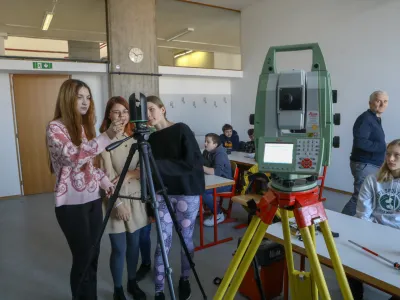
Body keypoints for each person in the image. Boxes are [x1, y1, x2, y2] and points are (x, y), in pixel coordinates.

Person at [46, 79, 123, 299]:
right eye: (80, 96)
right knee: (82, 258)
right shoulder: (55, 128)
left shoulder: (81, 128)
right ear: (67, 97)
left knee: (94, 255)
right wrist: (106, 136)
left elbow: (90, 166)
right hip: (70, 205)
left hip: (92, 201)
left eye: (88, 97)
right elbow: (74, 157)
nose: (85, 102)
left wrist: (108, 185)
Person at [146, 95, 205, 300]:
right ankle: (159, 289)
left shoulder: (181, 129)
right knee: (162, 242)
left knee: (186, 240)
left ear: (162, 109)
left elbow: (190, 164)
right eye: (145, 112)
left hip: (185, 193)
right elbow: (152, 173)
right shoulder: (151, 139)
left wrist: (155, 166)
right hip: (163, 195)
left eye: (151, 109)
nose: (148, 115)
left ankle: (185, 279)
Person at [99, 96, 148, 300]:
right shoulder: (103, 140)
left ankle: (132, 282)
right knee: (119, 248)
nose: (121, 116)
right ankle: (118, 289)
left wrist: (130, 174)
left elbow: (145, 169)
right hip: (115, 199)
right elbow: (106, 177)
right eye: (116, 112)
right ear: (109, 114)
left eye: (125, 112)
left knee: (134, 244)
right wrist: (117, 203)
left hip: (136, 198)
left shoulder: (137, 137)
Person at [349, 139, 400, 300]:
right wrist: (369, 235)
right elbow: (363, 213)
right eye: (388, 154)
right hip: (374, 230)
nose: (390, 159)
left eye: (397, 155)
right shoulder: (372, 179)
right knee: (350, 264)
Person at [342, 90, 388, 216]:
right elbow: (360, 143)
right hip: (364, 165)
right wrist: (383, 146)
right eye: (378, 101)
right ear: (370, 103)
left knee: (366, 197)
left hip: (369, 164)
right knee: (359, 197)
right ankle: (340, 223)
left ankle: (356, 225)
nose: (382, 104)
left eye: (385, 101)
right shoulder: (366, 119)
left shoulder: (375, 118)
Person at [202, 133, 233, 226]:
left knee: (203, 190)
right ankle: (201, 209)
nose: (205, 144)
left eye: (208, 142)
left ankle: (219, 214)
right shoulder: (208, 152)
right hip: (215, 180)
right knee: (195, 185)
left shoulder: (220, 154)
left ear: (215, 144)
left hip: (226, 184)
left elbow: (215, 172)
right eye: (205, 141)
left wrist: (199, 167)